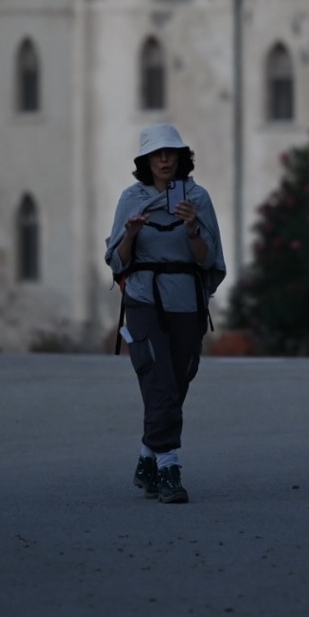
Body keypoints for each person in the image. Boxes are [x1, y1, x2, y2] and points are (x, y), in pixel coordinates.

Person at [104, 124, 226, 504]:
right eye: (157, 154)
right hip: (144, 298)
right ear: (145, 160)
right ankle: (169, 467)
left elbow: (211, 260)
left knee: (178, 378)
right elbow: (116, 260)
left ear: (180, 157)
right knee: (157, 378)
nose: (164, 159)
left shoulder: (197, 198)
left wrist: (191, 230)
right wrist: (131, 234)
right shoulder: (131, 198)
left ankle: (146, 458)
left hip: (186, 300)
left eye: (170, 152)